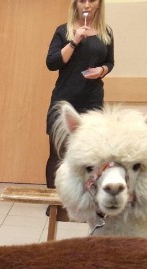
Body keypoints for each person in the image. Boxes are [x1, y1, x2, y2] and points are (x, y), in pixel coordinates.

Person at [45, 0, 115, 191]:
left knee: (91, 154)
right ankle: (54, 202)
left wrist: (101, 70)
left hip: (92, 100)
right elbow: (52, 63)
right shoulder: (63, 31)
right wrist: (75, 41)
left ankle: (84, 198)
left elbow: (110, 62)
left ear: (99, 5)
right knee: (58, 153)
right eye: (81, 1)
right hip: (65, 99)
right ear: (75, 5)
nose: (86, 5)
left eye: (91, 1)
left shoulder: (106, 33)